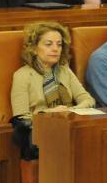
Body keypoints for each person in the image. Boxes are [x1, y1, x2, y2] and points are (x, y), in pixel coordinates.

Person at [10, 22, 95, 160]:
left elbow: (88, 100)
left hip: (69, 126)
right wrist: (49, 113)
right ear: (34, 49)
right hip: (42, 133)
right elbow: (20, 118)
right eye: (48, 44)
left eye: (59, 44)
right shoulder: (22, 75)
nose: (55, 49)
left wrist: (71, 111)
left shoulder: (64, 70)